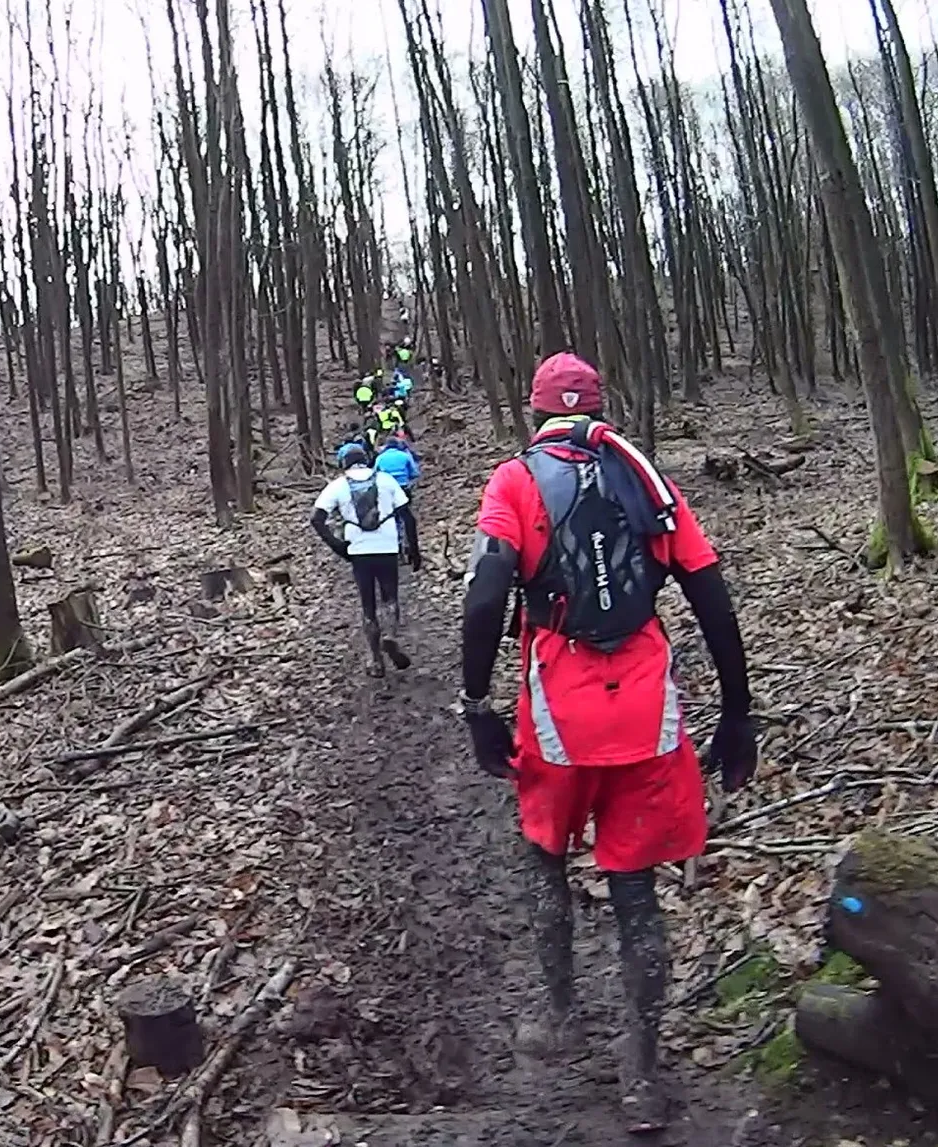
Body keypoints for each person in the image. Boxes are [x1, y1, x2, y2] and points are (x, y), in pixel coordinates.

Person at [458, 351, 756, 1133]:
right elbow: (710, 592)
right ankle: (643, 1073)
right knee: (636, 890)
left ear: (535, 411)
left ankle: (560, 1016)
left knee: (543, 856)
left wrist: (476, 701)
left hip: (558, 707)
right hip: (646, 712)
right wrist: (737, 710)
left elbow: (489, 589)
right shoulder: (644, 478)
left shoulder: (517, 481)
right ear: (601, 406)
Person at [313, 441, 421, 677]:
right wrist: (414, 550)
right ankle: (391, 635)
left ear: (343, 463)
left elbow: (317, 519)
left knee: (368, 605)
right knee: (390, 597)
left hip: (358, 550)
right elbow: (408, 517)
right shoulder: (385, 480)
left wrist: (338, 547)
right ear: (366, 459)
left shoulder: (338, 486)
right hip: (387, 546)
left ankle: (376, 661)